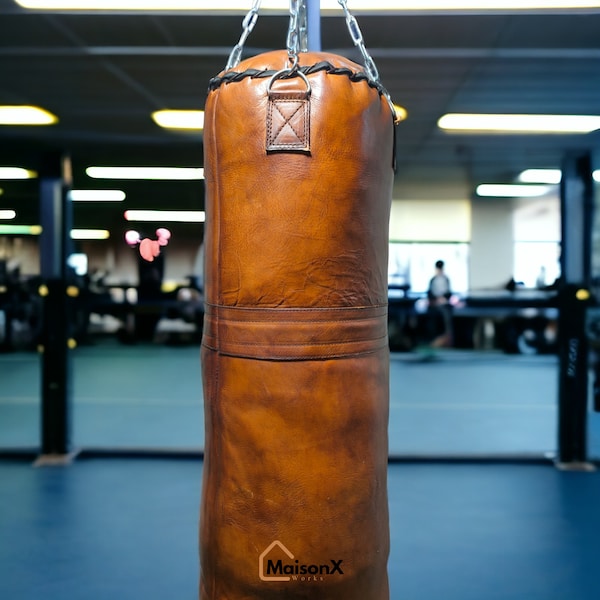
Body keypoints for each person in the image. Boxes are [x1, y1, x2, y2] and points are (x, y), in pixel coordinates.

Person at [426, 260, 453, 347]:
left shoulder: (446, 279)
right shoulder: (433, 280)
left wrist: (443, 299)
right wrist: (435, 300)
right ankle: (433, 340)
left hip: (444, 304)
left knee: (446, 317)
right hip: (434, 304)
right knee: (432, 319)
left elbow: (448, 293)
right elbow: (429, 293)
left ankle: (447, 338)